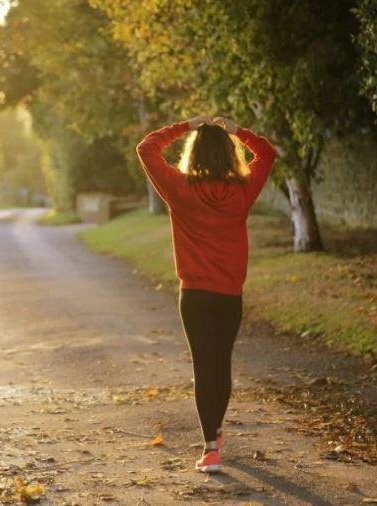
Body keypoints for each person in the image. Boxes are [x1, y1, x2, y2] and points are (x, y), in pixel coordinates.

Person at [136, 115, 276, 473]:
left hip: (194, 295)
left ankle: (211, 447)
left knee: (204, 366)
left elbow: (147, 148)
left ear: (193, 154)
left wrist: (185, 126)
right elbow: (267, 153)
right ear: (230, 155)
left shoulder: (179, 189)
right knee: (221, 363)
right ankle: (214, 433)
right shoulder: (243, 190)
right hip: (229, 295)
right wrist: (238, 131)